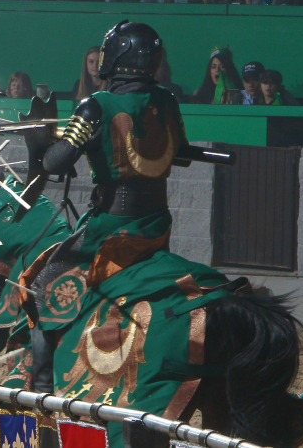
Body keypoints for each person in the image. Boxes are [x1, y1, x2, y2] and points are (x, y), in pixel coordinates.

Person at [28, 20, 190, 394]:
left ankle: (39, 389)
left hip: (113, 226)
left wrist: (43, 143)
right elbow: (179, 152)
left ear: (116, 56)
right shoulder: (166, 100)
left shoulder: (96, 106)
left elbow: (54, 163)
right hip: (155, 225)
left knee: (41, 284)